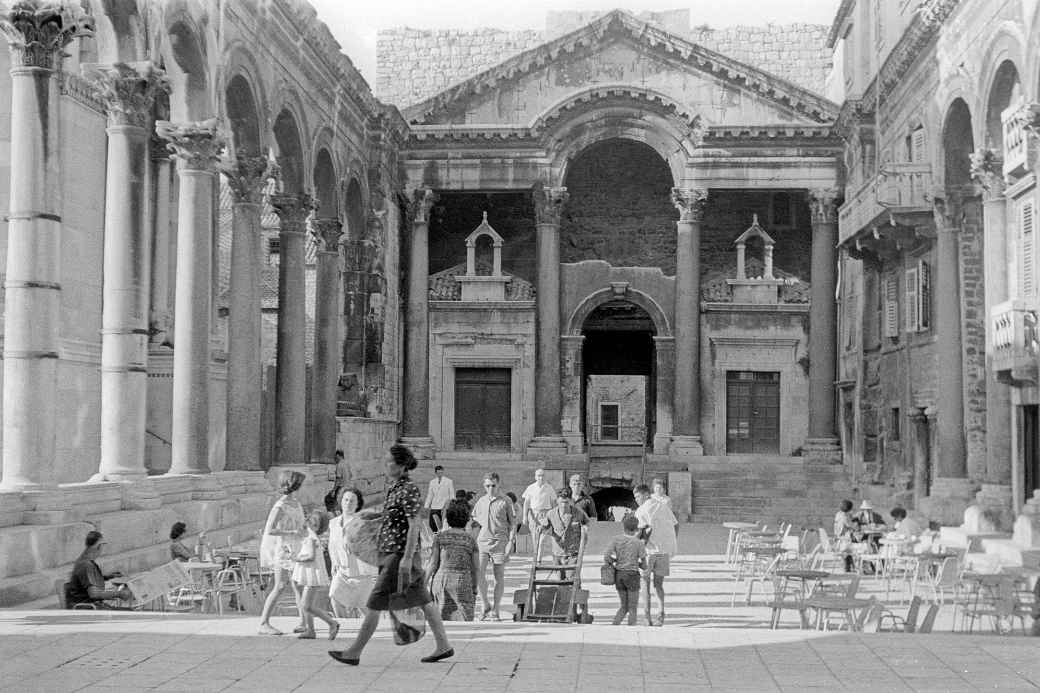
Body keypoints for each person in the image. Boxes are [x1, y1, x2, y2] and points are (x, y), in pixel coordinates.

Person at [328, 444, 454, 666]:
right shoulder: (395, 488)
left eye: (389, 462)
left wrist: (406, 558)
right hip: (390, 553)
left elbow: (414, 523)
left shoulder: (408, 489)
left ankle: (354, 652)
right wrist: (370, 517)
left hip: (398, 555)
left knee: (375, 602)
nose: (385, 465)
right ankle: (443, 645)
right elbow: (392, 518)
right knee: (424, 599)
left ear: (402, 465)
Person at [258, 470, 306, 635]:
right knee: (279, 586)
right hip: (284, 549)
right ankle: (264, 622)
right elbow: (270, 529)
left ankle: (304, 622)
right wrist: (292, 532)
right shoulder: (280, 505)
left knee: (298, 586)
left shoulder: (296, 503)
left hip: (297, 548)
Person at [470, 471, 516, 621]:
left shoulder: (506, 501)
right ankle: (485, 605)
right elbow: (474, 520)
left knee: (499, 576)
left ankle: (496, 608)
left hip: (500, 542)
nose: (491, 488)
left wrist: (510, 542)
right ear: (484, 485)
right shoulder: (481, 501)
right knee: (479, 574)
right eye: (488, 485)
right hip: (482, 542)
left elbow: (513, 524)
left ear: (498, 484)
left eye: (493, 485)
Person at [328, 487, 377, 618]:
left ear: (357, 504)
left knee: (363, 607)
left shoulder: (362, 522)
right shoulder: (333, 523)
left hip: (362, 573)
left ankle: (373, 629)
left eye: (352, 501)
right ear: (341, 501)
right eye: (346, 500)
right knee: (335, 597)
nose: (348, 503)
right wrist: (334, 563)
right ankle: (344, 626)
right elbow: (331, 545)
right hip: (343, 570)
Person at [427, 500, 480, 621]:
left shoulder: (439, 538)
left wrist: (423, 583)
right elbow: (476, 568)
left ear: (448, 518)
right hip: (463, 583)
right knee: (463, 621)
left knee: (441, 622)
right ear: (466, 520)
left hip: (441, 583)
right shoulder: (470, 541)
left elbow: (433, 564)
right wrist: (475, 587)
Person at [634, 483, 678, 626]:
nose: (636, 499)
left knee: (645, 583)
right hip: (664, 551)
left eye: (638, 496)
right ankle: (661, 613)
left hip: (648, 552)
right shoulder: (663, 506)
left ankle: (647, 616)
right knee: (659, 585)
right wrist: (671, 541)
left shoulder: (641, 511)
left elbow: (640, 533)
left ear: (646, 495)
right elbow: (676, 524)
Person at [292, 509, 340, 640]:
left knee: (306, 605)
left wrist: (297, 558)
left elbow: (311, 556)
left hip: (312, 575)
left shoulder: (311, 538)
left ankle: (332, 623)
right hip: (309, 574)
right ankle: (310, 630)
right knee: (305, 604)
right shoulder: (309, 536)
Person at [66, 530, 132, 608]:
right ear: (99, 546)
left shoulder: (83, 561)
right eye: (103, 545)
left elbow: (87, 580)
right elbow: (94, 594)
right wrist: (119, 594)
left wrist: (109, 576)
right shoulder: (86, 565)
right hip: (87, 609)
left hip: (88, 606)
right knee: (130, 614)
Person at [604, 514, 647, 625]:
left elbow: (607, 556)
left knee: (624, 606)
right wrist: (636, 562)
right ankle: (631, 630)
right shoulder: (639, 543)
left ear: (624, 527)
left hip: (619, 575)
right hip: (632, 575)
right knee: (633, 607)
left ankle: (614, 626)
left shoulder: (616, 540)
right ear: (637, 529)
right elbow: (645, 566)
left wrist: (615, 561)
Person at [543, 487, 588, 565]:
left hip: (573, 553)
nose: (564, 505)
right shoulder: (551, 514)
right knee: (559, 577)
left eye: (566, 502)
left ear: (570, 501)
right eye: (561, 501)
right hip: (557, 553)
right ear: (557, 501)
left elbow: (587, 523)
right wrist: (551, 533)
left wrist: (585, 530)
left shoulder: (578, 512)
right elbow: (545, 527)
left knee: (571, 576)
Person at [521, 468, 555, 537]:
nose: (541, 477)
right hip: (534, 514)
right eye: (539, 476)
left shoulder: (550, 488)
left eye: (543, 475)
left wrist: (554, 517)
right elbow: (526, 503)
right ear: (535, 477)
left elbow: (553, 503)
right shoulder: (530, 487)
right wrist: (524, 517)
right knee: (534, 535)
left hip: (546, 514)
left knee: (545, 536)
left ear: (545, 477)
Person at [423, 464, 455, 533]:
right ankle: (435, 534)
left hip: (444, 506)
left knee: (443, 524)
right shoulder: (432, 482)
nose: (440, 474)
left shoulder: (449, 481)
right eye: (438, 473)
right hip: (434, 505)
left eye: (441, 472)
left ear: (443, 472)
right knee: (432, 524)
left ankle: (441, 534)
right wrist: (426, 505)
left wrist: (451, 504)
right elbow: (430, 494)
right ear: (436, 473)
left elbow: (452, 494)